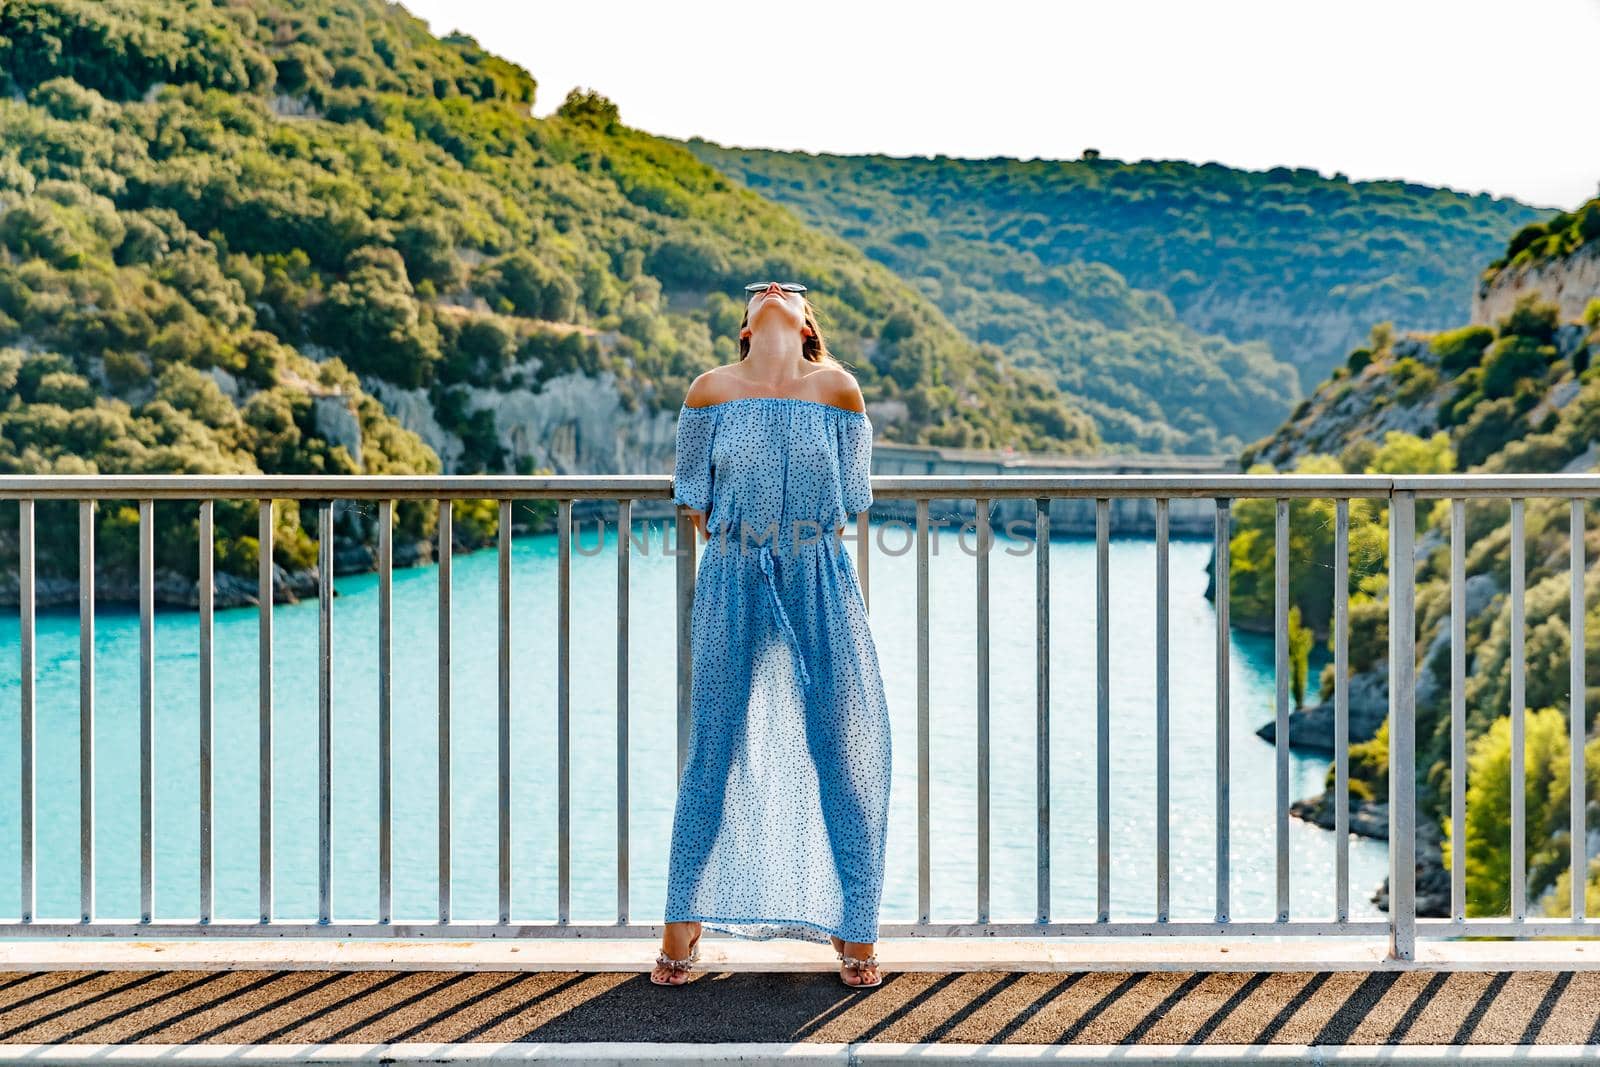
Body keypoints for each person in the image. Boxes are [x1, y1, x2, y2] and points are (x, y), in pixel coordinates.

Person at [650, 280, 892, 989]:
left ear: (806, 319)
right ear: (746, 327)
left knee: (844, 746)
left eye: (789, 291)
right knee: (713, 746)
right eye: (761, 293)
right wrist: (747, 544)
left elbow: (851, 499)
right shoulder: (708, 390)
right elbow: (694, 495)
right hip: (732, 575)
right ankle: (679, 928)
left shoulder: (841, 389)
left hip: (819, 572)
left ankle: (856, 930)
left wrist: (792, 540)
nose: (776, 291)